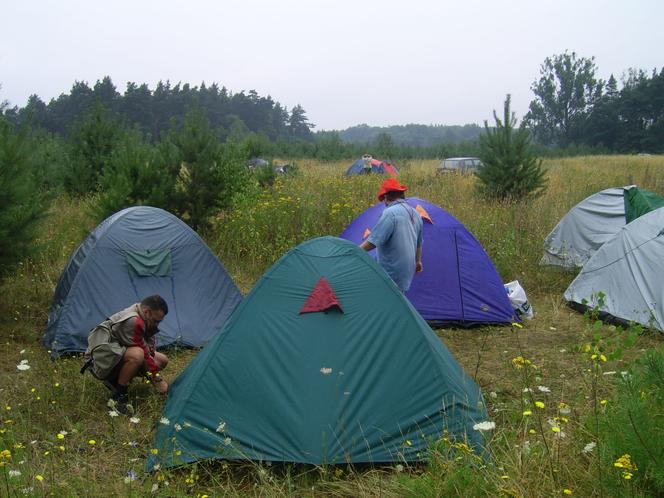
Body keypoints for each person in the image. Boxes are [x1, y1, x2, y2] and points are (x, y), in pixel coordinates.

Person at [85, 295, 170, 414]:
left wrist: (154, 373)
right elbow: (144, 353)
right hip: (100, 361)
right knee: (137, 355)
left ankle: (115, 380)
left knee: (162, 360)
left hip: (116, 352)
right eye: (156, 321)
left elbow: (148, 345)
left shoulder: (142, 313)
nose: (157, 324)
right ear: (147, 312)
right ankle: (119, 397)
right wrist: (156, 379)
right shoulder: (134, 321)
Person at [360, 178, 423, 292]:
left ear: (386, 197)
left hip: (391, 271)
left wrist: (356, 250)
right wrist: (418, 261)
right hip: (407, 271)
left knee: (385, 302)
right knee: (398, 301)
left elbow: (374, 241)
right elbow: (419, 243)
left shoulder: (390, 213)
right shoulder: (416, 214)